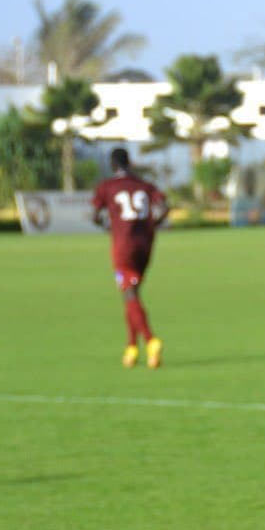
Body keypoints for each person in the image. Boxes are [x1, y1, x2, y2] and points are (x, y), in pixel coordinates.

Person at [91, 147, 168, 368]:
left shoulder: (107, 187)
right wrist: (152, 225)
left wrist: (108, 226)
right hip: (146, 245)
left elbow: (95, 215)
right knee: (131, 294)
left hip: (123, 246)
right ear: (130, 162)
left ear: (112, 165)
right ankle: (131, 348)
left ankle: (151, 340)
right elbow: (164, 206)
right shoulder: (145, 185)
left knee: (129, 293)